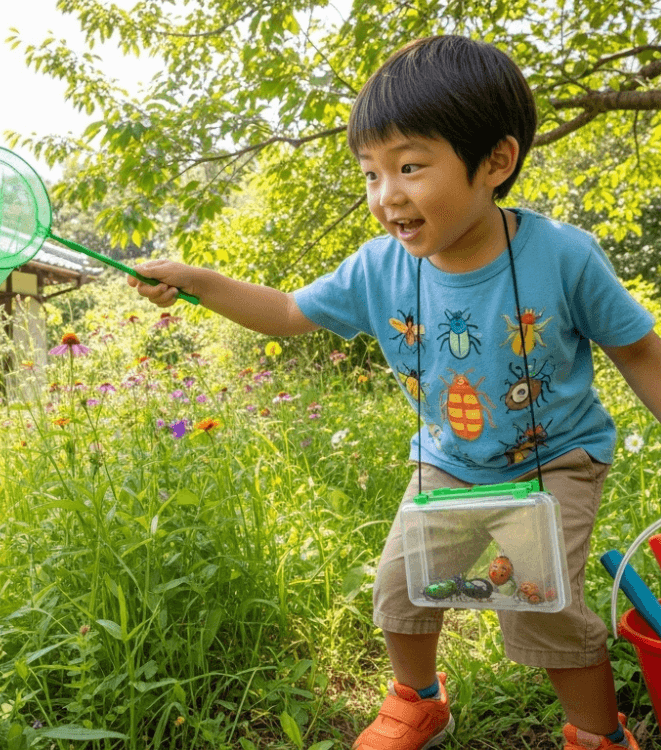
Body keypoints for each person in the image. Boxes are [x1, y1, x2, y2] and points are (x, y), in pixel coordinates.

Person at [128, 34, 660, 750]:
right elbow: (288, 316)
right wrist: (203, 281)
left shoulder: (563, 256)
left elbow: (636, 347)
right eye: (371, 174)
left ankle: (598, 733)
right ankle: (419, 702)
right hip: (445, 462)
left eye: (410, 166)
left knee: (537, 604)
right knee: (399, 588)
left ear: (495, 162)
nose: (387, 196)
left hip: (552, 461)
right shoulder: (378, 269)